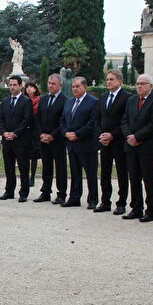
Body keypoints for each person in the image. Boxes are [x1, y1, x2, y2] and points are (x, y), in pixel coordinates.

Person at [120, 74, 153, 222]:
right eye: (137, 83)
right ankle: (136, 208)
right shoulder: (131, 100)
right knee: (134, 178)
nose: (139, 86)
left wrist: (137, 137)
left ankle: (150, 210)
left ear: (150, 86)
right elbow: (124, 120)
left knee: (149, 179)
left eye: (143, 84)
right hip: (131, 146)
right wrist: (129, 137)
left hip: (147, 147)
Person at [59, 76, 99, 208]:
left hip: (86, 144)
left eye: (77, 86)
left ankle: (92, 200)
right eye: (73, 87)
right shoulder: (69, 102)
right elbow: (63, 120)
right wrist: (66, 133)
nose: (75, 89)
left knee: (90, 174)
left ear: (85, 87)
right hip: (71, 144)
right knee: (75, 173)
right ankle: (74, 198)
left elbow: (92, 123)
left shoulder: (93, 102)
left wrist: (77, 134)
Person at [96, 69, 131, 214]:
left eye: (112, 79)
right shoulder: (103, 97)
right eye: (108, 79)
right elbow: (98, 118)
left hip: (119, 140)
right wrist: (102, 135)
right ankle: (105, 201)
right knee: (105, 172)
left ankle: (121, 203)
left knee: (122, 172)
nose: (109, 81)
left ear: (120, 81)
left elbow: (125, 120)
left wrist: (112, 135)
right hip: (104, 141)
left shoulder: (127, 97)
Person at [0, 75, 33, 202]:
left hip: (21, 140)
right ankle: (9, 191)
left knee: (23, 167)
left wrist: (15, 133)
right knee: (8, 167)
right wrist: (4, 132)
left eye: (14, 85)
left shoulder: (26, 101)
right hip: (7, 140)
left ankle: (23, 192)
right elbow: (0, 119)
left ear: (20, 85)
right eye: (10, 85)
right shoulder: (5, 101)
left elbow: (26, 120)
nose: (12, 87)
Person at [34, 73, 68, 204]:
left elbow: (63, 121)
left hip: (57, 139)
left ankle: (61, 194)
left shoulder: (65, 100)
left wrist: (52, 136)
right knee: (46, 167)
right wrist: (41, 134)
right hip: (43, 139)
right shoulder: (43, 99)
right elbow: (37, 119)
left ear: (60, 85)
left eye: (53, 84)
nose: (50, 86)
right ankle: (45, 192)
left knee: (60, 168)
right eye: (49, 83)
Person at [24, 81, 42, 188]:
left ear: (35, 89)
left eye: (31, 87)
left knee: (34, 156)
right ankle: (25, 177)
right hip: (25, 131)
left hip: (35, 131)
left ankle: (32, 177)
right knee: (25, 155)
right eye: (27, 87)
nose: (29, 89)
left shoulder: (39, 100)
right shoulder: (24, 100)